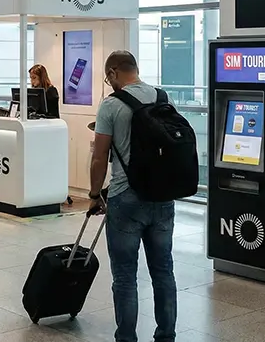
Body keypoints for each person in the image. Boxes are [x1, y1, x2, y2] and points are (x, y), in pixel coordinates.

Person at [88, 50, 176, 342]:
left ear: (113, 73)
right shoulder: (163, 98)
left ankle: (126, 338)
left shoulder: (111, 105)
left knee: (125, 277)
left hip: (126, 197)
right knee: (163, 271)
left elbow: (99, 157)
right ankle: (166, 335)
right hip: (163, 196)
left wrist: (93, 195)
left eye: (107, 76)